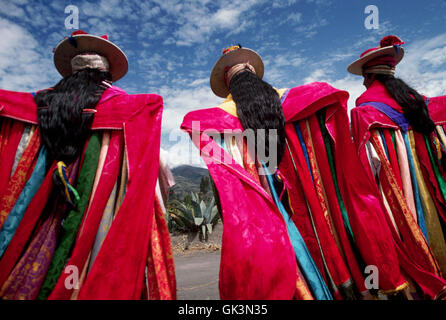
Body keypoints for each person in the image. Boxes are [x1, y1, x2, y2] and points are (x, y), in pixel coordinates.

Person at [181, 45, 407, 300]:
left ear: (230, 86)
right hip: (322, 221)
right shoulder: (308, 103)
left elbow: (228, 198)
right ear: (256, 76)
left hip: (277, 231)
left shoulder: (215, 126)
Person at [0, 30, 176, 300]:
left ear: (70, 73)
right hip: (100, 224)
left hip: (39, 211)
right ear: (106, 73)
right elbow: (158, 170)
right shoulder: (131, 108)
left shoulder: (37, 106)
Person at [349, 35, 446, 300]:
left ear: (368, 78)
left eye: (364, 78)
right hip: (435, 189)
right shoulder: (425, 105)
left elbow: (367, 169)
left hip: (401, 201)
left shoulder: (365, 113)